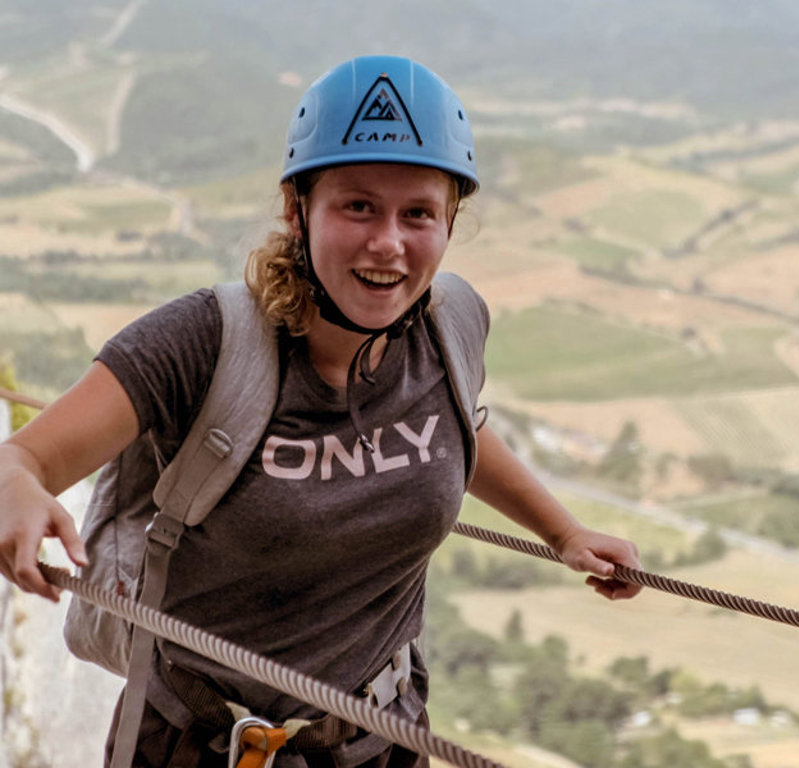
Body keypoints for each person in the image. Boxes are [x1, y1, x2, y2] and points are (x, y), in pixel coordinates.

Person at [0, 54, 641, 767]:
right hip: (201, 742)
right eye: (358, 206)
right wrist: (18, 493)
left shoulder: (452, 324)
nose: (389, 242)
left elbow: (455, 430)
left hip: (380, 736)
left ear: (451, 222)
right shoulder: (203, 343)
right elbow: (24, 458)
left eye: (419, 213)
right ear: (297, 210)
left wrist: (562, 532)